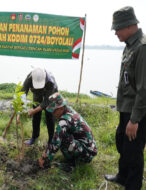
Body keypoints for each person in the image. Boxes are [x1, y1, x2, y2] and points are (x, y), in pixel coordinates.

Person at [104, 6, 146, 190]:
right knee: (121, 141)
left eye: (117, 29)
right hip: (126, 107)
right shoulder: (129, 46)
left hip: (137, 111)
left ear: (130, 26)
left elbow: (144, 88)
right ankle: (122, 176)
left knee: (133, 151)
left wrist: (135, 120)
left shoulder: (142, 48)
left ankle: (132, 185)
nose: (115, 33)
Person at [38, 92, 97, 171]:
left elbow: (56, 141)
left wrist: (45, 158)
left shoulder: (65, 120)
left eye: (54, 110)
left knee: (63, 138)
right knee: (63, 135)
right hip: (88, 149)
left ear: (61, 108)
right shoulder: (68, 110)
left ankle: (72, 164)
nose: (53, 113)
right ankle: (72, 159)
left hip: (86, 153)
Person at [21, 68, 58, 145]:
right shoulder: (30, 77)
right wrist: (21, 108)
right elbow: (23, 92)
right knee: (36, 115)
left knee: (49, 115)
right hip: (37, 93)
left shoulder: (51, 82)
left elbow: (47, 102)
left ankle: (51, 140)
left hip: (50, 93)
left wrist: (33, 111)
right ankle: (34, 138)